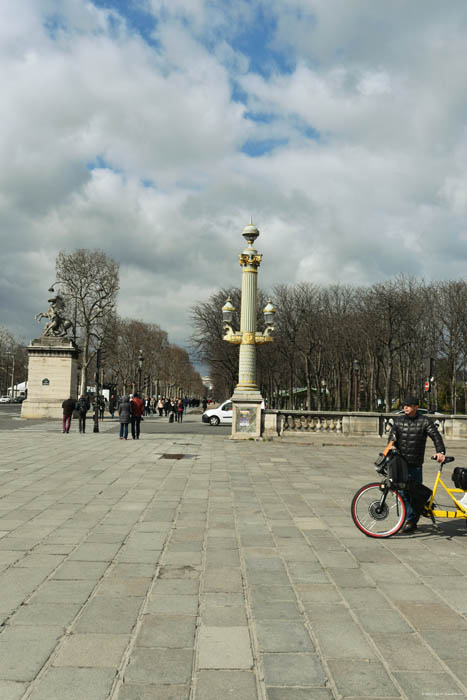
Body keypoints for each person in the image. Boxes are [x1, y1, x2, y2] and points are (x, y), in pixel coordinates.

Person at [387, 395, 445, 533]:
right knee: (402, 492)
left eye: (408, 405)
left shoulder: (424, 421)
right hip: (400, 463)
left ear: (416, 407)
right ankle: (409, 520)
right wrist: (390, 447)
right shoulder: (398, 421)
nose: (405, 407)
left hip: (415, 464)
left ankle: (411, 520)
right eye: (404, 405)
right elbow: (392, 438)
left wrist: (440, 452)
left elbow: (436, 437)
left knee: (414, 493)